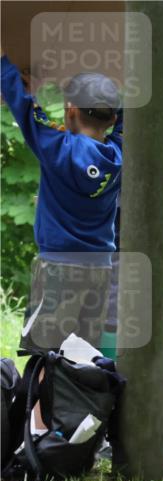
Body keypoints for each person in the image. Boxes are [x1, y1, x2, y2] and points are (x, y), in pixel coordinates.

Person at [0, 51, 123, 354]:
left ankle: (43, 404)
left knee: (46, 354)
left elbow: (25, 110)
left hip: (59, 267)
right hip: (100, 270)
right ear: (113, 118)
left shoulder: (58, 150)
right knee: (82, 355)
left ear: (69, 111)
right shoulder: (119, 155)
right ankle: (77, 401)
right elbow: (28, 111)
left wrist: (5, 63)